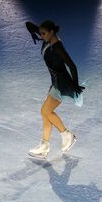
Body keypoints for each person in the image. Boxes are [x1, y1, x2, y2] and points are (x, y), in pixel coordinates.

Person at [25, 20, 85, 159]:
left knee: (45, 111)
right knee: (46, 113)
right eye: (40, 33)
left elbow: (72, 65)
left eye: (44, 33)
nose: (41, 36)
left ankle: (66, 135)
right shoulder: (47, 37)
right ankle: (44, 146)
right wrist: (33, 32)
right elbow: (28, 24)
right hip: (55, 83)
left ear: (52, 32)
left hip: (62, 84)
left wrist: (75, 84)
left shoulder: (57, 46)